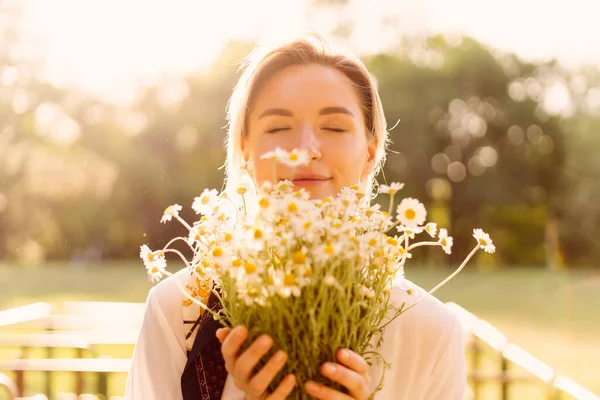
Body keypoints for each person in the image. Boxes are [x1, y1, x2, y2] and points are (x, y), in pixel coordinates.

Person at [124, 32, 467, 400]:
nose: (305, 149)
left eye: (334, 127)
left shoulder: (429, 331)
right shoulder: (181, 311)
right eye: (278, 128)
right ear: (246, 152)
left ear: (369, 154)